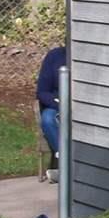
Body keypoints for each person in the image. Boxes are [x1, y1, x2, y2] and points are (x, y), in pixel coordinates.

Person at [36, 43, 67, 175]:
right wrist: (58, 104)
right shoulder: (54, 56)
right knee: (48, 119)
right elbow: (42, 92)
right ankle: (65, 159)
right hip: (58, 105)